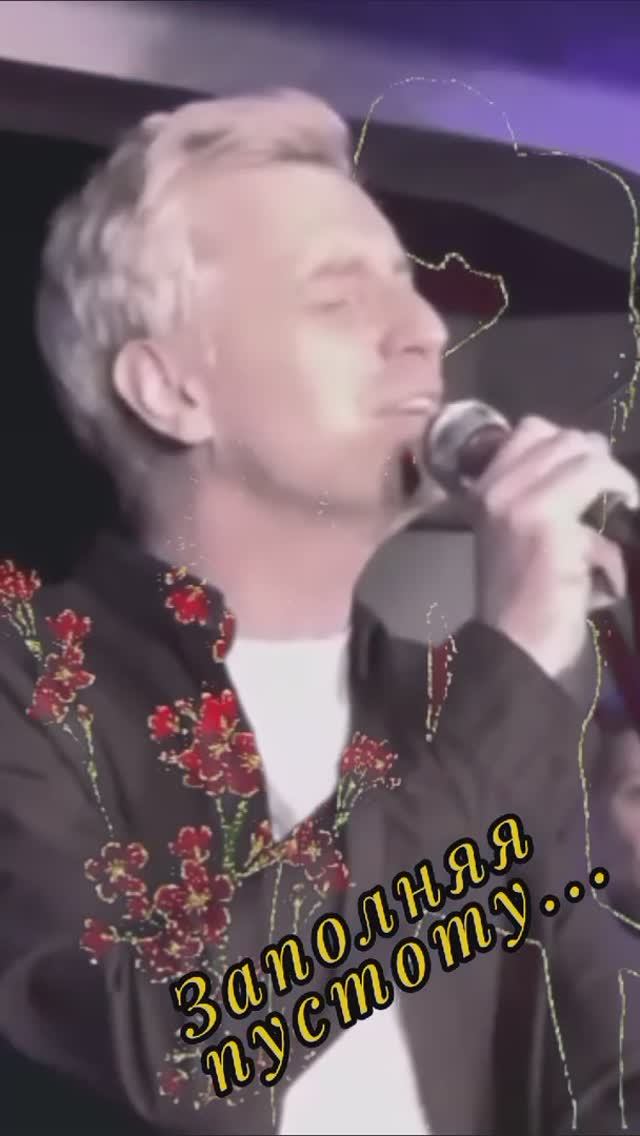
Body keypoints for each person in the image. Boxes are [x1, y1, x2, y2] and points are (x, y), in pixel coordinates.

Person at [0, 87, 639, 1136]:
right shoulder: (32, 689)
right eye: (338, 300)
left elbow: (600, 1069)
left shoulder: (455, 708)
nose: (423, 332)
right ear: (171, 391)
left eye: (409, 289)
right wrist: (515, 676)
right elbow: (189, 1055)